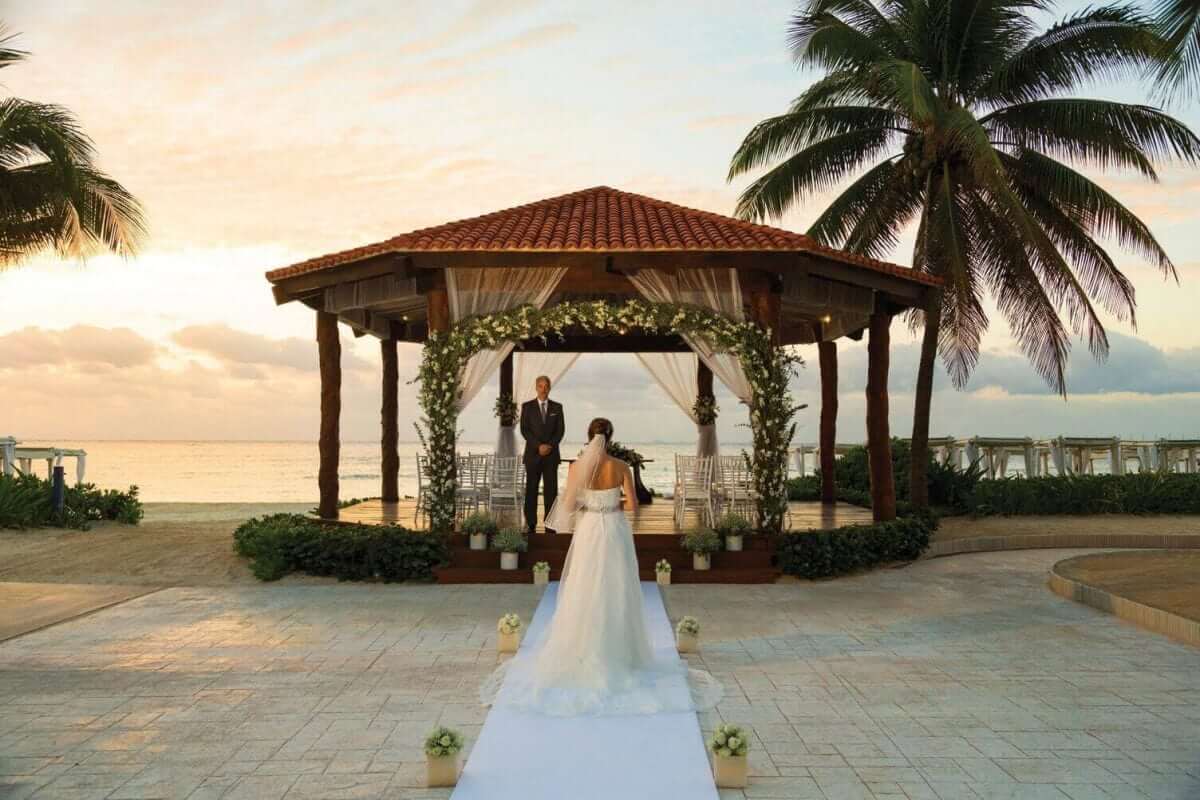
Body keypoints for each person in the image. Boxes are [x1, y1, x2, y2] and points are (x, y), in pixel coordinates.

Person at [480, 417, 722, 717]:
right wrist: (612, 503)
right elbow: (633, 505)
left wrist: (590, 503)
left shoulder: (576, 467)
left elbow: (568, 506)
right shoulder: (620, 466)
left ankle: (582, 647)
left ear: (588, 436)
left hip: (589, 529)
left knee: (585, 585)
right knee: (617, 585)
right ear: (610, 436)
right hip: (615, 529)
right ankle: (619, 650)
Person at [519, 375, 564, 535]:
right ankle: (530, 523)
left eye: (546, 386)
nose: (543, 389)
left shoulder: (557, 408)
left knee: (551, 491)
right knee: (531, 489)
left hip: (551, 455)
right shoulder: (527, 407)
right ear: (536, 387)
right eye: (540, 386)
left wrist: (549, 446)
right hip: (533, 454)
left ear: (550, 387)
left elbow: (560, 431)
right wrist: (538, 446)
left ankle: (550, 524)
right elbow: (524, 430)